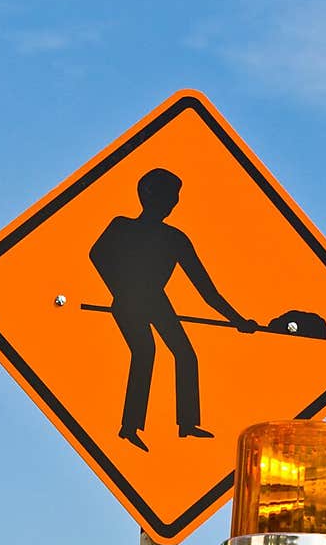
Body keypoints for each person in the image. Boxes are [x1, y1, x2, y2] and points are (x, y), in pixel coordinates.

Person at [89, 168, 256, 451]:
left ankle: (187, 424)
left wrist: (239, 320)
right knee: (145, 352)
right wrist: (120, 289)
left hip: (156, 300)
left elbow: (207, 291)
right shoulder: (121, 226)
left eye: (175, 197)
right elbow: (97, 254)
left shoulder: (175, 238)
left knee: (186, 354)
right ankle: (129, 427)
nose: (173, 202)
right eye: (169, 195)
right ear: (149, 196)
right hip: (128, 301)